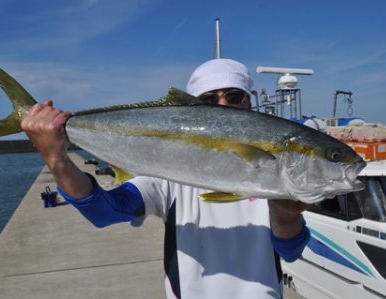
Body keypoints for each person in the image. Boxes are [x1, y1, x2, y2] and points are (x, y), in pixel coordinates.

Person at [22, 58, 311, 299]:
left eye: (234, 96)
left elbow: (291, 250)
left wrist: (285, 217)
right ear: (190, 108)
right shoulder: (169, 173)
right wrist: (56, 159)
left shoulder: (275, 176)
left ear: (249, 102)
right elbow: (104, 212)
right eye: (209, 100)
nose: (223, 105)